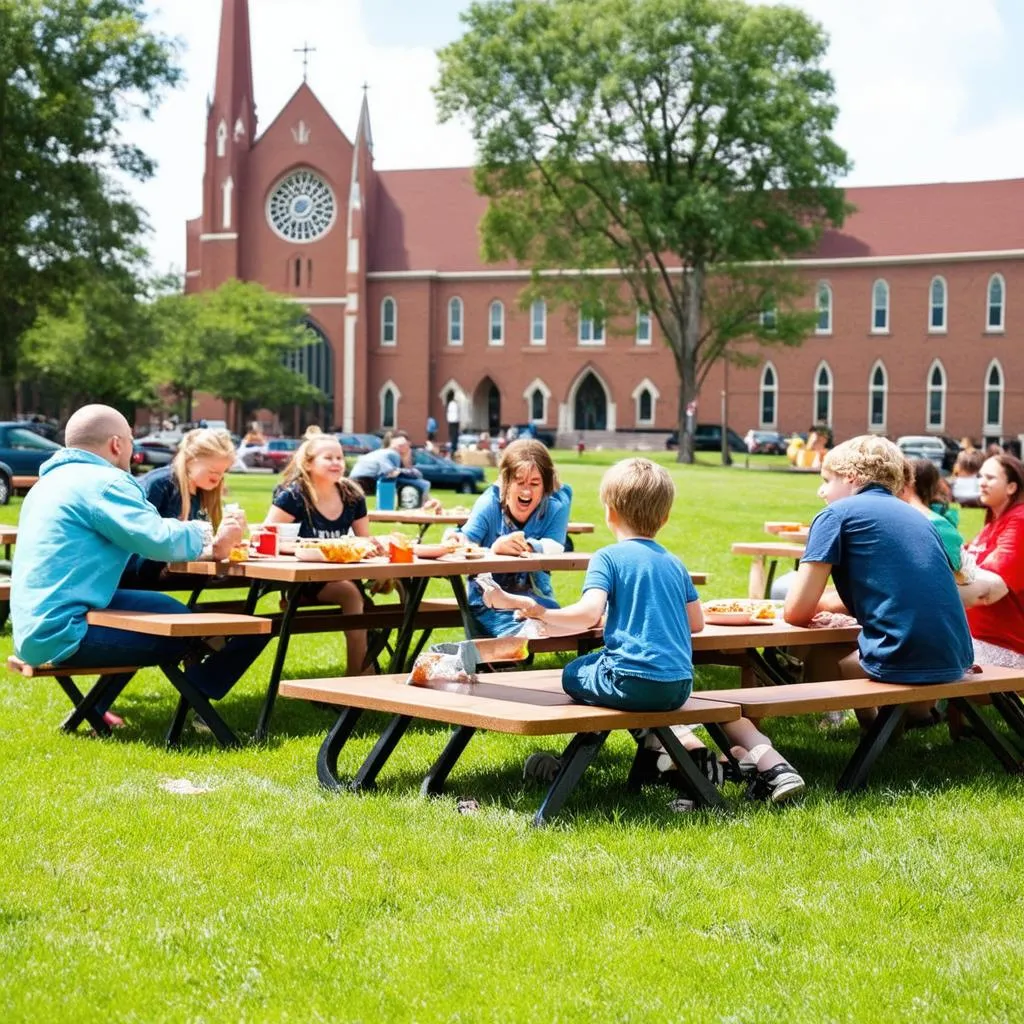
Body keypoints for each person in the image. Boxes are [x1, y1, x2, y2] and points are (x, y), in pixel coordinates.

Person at [510, 458, 806, 803]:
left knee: (575, 672)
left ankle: (634, 758)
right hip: (678, 685)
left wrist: (543, 612)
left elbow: (588, 614)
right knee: (628, 686)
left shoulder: (608, 558)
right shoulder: (675, 563)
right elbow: (696, 622)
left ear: (610, 513)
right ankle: (672, 755)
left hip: (629, 681)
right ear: (664, 518)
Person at [10, 404, 269, 724]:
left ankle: (97, 708)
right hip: (63, 630)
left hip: (34, 623)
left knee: (175, 613)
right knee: (195, 634)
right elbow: (155, 537)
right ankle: (198, 703)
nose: (133, 447)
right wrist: (213, 543)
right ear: (117, 444)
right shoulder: (104, 482)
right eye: (132, 439)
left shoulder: (50, 483)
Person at [785, 436, 975, 723]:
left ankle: (877, 734)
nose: (821, 491)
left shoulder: (834, 515)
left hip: (902, 657)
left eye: (827, 479)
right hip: (957, 654)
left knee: (839, 659)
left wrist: (821, 605)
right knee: (850, 652)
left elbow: (795, 612)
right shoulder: (920, 519)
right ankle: (906, 720)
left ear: (851, 476)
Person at [265, 431, 382, 674]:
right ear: (308, 464)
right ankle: (358, 677)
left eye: (340, 457)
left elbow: (363, 540)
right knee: (351, 594)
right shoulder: (294, 496)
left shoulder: (352, 496)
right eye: (328, 458)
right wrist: (309, 549)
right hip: (303, 579)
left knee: (398, 591)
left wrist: (372, 546)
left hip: (344, 574)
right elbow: (267, 538)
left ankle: (377, 667)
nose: (337, 463)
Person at [456, 439, 572, 638]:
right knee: (522, 631)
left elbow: (556, 545)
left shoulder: (555, 504)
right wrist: (493, 549)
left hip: (536, 599)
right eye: (520, 482)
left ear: (545, 486)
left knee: (580, 625)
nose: (526, 491)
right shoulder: (489, 503)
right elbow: (466, 543)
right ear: (505, 481)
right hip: (489, 604)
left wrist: (526, 545)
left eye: (535, 483)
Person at [120, 428, 236, 589]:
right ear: (190, 460)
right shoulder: (160, 484)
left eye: (224, 472)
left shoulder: (203, 493)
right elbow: (137, 543)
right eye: (213, 471)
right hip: (131, 579)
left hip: (166, 576)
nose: (219, 478)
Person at [964, 453, 1024, 667]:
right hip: (976, 638)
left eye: (990, 478)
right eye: (980, 477)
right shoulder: (991, 525)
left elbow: (993, 579)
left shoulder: (1019, 521)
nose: (981, 483)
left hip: (1007, 647)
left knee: (922, 659)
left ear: (1011, 487)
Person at [350, 436, 437, 508]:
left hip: (356, 481)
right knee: (422, 483)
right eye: (406, 446)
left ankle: (428, 502)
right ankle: (423, 505)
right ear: (399, 447)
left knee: (413, 480)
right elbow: (391, 473)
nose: (408, 448)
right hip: (368, 481)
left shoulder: (381, 452)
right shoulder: (393, 454)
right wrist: (413, 471)